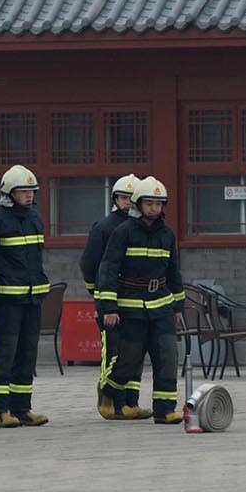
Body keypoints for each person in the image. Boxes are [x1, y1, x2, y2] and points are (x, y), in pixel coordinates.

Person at [95, 177, 184, 424]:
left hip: (161, 305)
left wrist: (178, 306)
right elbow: (109, 269)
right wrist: (109, 308)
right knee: (128, 361)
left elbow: (174, 272)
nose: (154, 208)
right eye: (149, 203)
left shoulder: (167, 235)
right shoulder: (122, 232)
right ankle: (109, 392)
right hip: (131, 306)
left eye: (158, 203)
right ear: (138, 204)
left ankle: (165, 410)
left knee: (167, 357)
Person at [0, 165, 50, 427]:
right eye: (23, 191)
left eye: (32, 191)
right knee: (3, 353)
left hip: (31, 299)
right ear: (10, 192)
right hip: (6, 302)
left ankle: (22, 407)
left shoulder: (34, 218)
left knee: (27, 354)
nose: (29, 196)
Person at [80, 175, 144, 418]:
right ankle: (109, 400)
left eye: (131, 198)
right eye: (123, 198)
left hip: (135, 299)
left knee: (135, 352)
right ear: (115, 199)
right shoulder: (104, 227)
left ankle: (131, 402)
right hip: (110, 299)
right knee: (114, 350)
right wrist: (96, 293)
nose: (128, 203)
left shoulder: (142, 227)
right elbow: (89, 263)